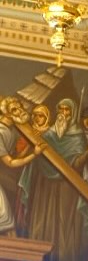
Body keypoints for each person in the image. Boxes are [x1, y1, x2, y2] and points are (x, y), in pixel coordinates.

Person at [16, 98, 88, 261]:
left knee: (64, 227)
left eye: (67, 111)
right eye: (61, 109)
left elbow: (77, 165)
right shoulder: (48, 134)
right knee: (42, 225)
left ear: (72, 114)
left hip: (68, 190)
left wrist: (86, 154)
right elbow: (37, 159)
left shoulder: (78, 138)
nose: (63, 114)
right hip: (45, 189)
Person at [0, 98, 41, 235]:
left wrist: (29, 144)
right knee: (5, 215)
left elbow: (16, 157)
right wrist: (34, 155)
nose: (19, 112)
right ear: (6, 113)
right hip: (3, 177)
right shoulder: (0, 131)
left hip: (6, 176)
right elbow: (10, 163)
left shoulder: (10, 130)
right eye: (14, 110)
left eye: (20, 108)